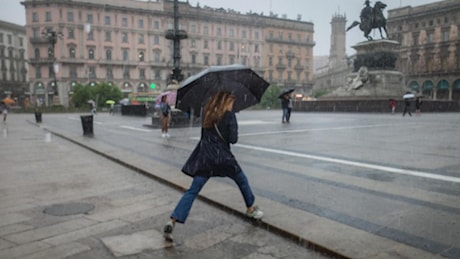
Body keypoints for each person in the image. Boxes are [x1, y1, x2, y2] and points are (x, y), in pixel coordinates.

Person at [163, 91, 263, 241]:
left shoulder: (207, 113)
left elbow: (204, 137)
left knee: (192, 191)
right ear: (226, 102)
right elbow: (233, 139)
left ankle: (173, 219)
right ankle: (250, 209)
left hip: (206, 158)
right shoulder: (229, 115)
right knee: (241, 180)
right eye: (231, 102)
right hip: (224, 158)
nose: (233, 105)